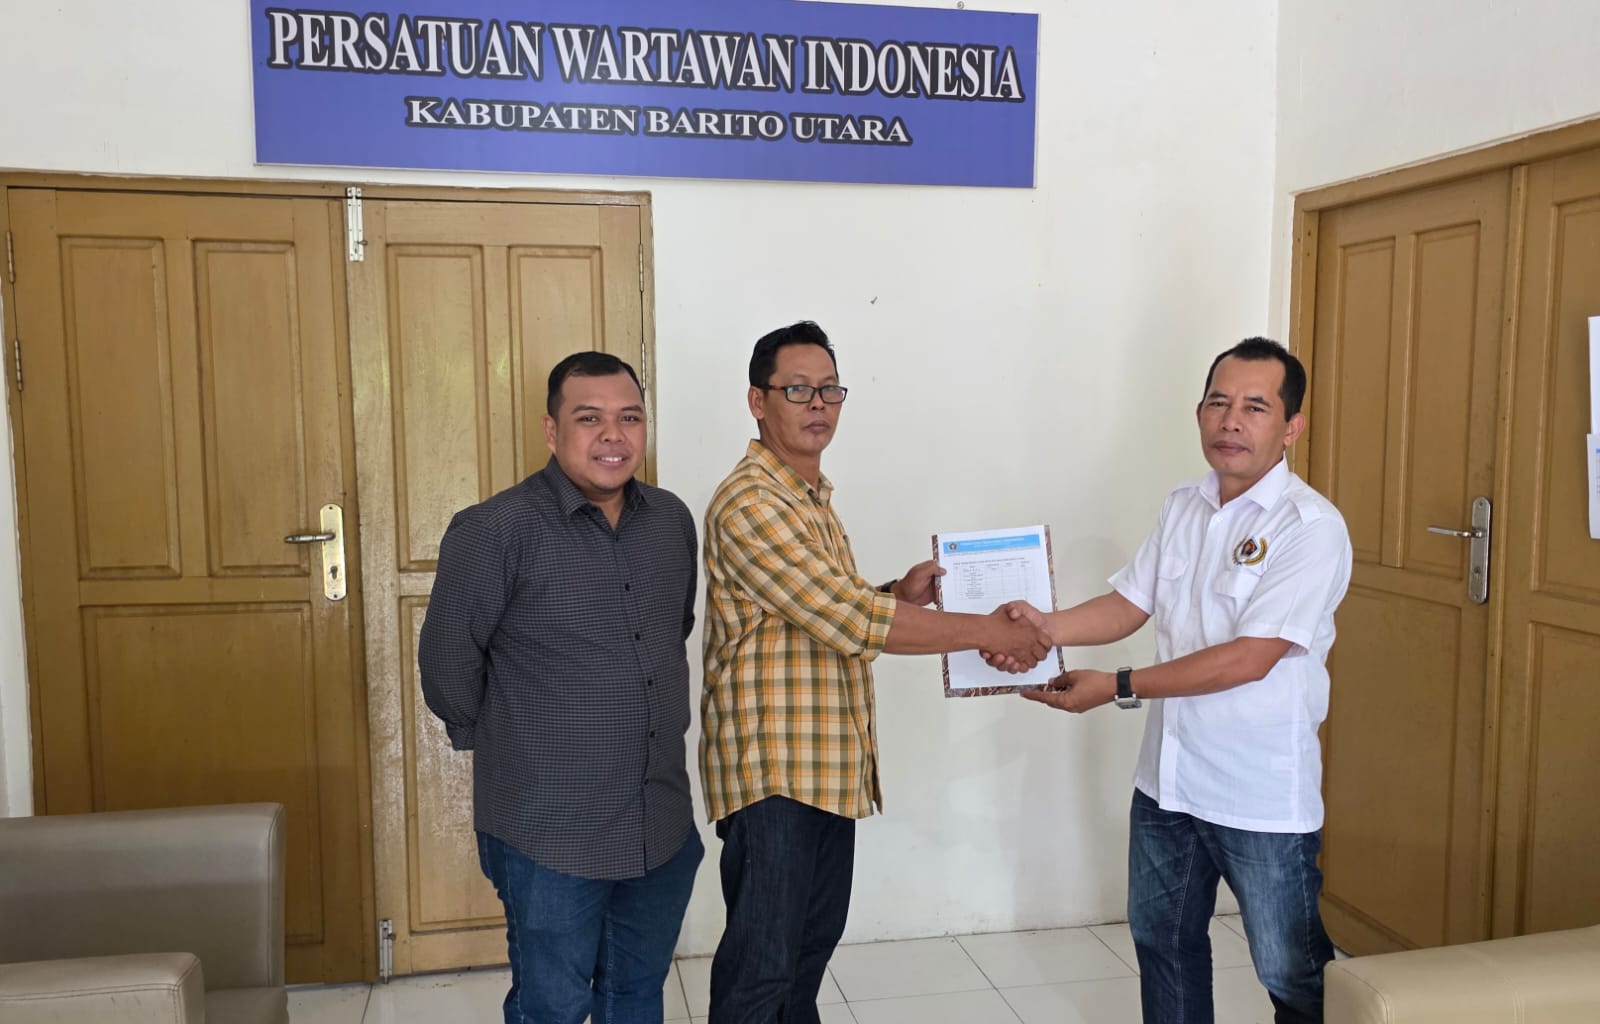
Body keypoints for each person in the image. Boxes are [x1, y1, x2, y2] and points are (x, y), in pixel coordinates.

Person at [699, 321, 1053, 1024]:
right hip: (775, 776)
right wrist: (991, 630)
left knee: (802, 962)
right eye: (797, 389)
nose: (817, 403)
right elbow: (851, 622)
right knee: (760, 974)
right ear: (757, 400)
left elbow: (821, 609)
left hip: (824, 769)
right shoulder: (751, 502)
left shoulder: (809, 498)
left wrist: (894, 593)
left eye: (830, 389)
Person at [1010, 337, 1352, 1024]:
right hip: (1166, 784)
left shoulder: (1311, 528)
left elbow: (1248, 658)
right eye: (1219, 403)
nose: (1232, 421)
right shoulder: (1184, 505)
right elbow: (1130, 604)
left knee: (1290, 972)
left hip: (1258, 795)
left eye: (1255, 407)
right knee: (1163, 947)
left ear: (1291, 427)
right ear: (1199, 414)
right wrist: (1043, 627)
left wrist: (1118, 686)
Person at [418, 351, 702, 1024]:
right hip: (549, 829)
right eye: (590, 419)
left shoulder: (671, 522)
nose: (613, 436)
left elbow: (672, 629)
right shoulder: (495, 530)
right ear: (552, 431)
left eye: (630, 417)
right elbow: (447, 668)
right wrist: (522, 742)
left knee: (636, 993)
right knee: (553, 1006)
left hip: (657, 819)